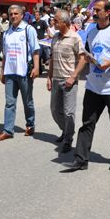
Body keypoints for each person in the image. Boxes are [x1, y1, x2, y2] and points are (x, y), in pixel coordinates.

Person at [63, 0, 110, 171]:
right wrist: (80, 68)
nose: (95, 13)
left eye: (98, 10)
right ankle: (81, 159)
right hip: (93, 85)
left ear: (108, 12)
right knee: (87, 123)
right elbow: (86, 55)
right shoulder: (91, 31)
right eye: (94, 10)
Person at [0, 5, 40, 142]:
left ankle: (30, 125)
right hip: (10, 73)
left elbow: (35, 51)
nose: (13, 16)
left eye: (16, 13)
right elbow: (5, 54)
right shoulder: (6, 33)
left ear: (22, 15)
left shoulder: (28, 30)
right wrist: (2, 71)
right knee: (9, 103)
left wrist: (36, 68)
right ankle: (8, 130)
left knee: (28, 102)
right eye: (11, 14)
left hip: (24, 72)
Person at [47, 10, 87, 153]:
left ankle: (68, 140)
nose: (54, 23)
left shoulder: (75, 38)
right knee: (55, 110)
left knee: (68, 112)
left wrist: (73, 77)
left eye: (56, 20)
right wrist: (49, 77)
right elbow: (52, 59)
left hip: (69, 81)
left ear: (64, 22)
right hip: (56, 79)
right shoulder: (55, 37)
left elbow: (83, 59)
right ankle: (65, 130)